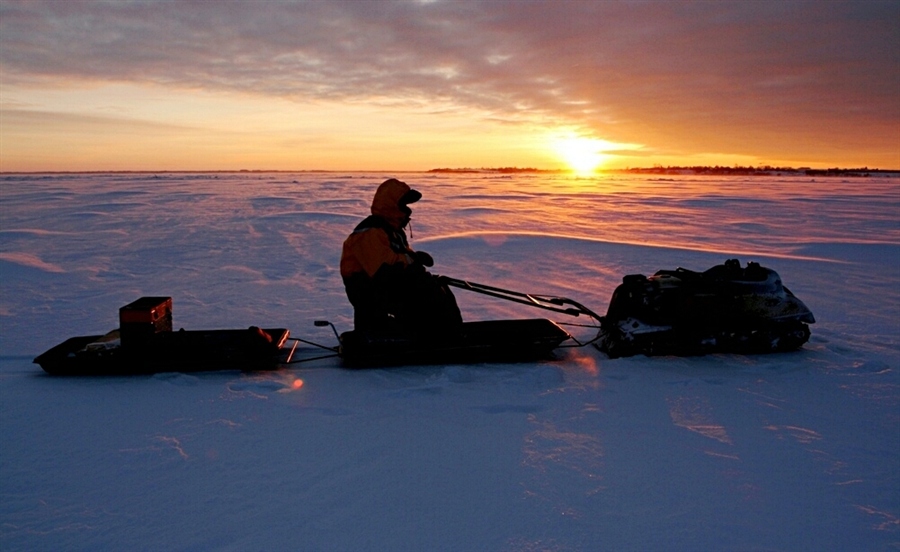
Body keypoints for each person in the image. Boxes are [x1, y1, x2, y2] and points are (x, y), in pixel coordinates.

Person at [340, 178, 462, 337]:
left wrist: (415, 260)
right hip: (371, 290)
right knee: (427, 293)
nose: (407, 210)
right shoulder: (370, 232)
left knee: (439, 287)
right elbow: (382, 269)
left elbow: (397, 257)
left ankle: (444, 331)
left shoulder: (391, 230)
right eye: (404, 204)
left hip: (386, 283)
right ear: (392, 205)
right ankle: (435, 334)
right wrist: (412, 266)